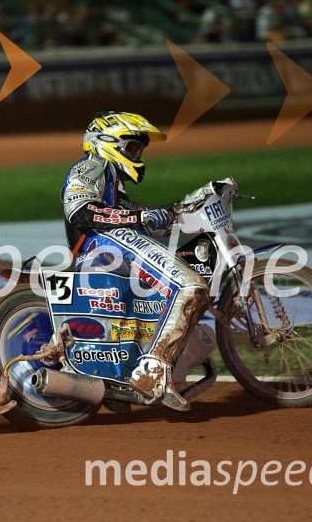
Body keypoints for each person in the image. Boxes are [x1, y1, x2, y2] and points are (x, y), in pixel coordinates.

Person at [61, 111, 209, 412]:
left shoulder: (115, 186)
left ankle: (124, 377)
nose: (137, 156)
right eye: (131, 148)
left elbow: (150, 219)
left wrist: (189, 204)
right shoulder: (92, 166)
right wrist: (138, 216)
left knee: (192, 318)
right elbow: (79, 210)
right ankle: (153, 372)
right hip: (103, 246)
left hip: (112, 251)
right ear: (106, 142)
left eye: (138, 150)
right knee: (190, 287)